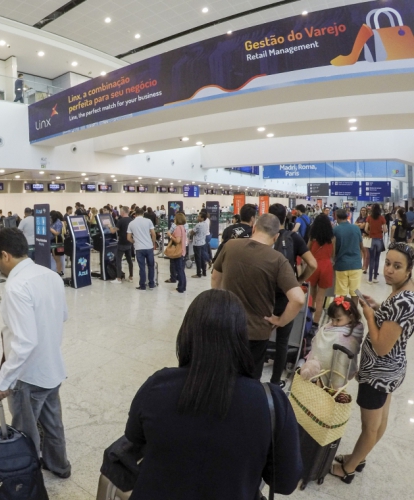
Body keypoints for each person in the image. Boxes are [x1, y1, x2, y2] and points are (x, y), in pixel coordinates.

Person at [124, 290, 302, 499]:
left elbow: (134, 436)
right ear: (241, 337)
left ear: (187, 333)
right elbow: (285, 482)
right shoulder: (271, 402)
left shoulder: (158, 385)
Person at [0, 229, 71, 479]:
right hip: (53, 367)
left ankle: (26, 478)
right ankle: (60, 466)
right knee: (53, 424)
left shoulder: (15, 286)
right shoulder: (50, 275)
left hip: (29, 376)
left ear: (5, 255)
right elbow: (63, 316)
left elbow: (24, 342)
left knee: (25, 432)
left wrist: (2, 380)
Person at [333, 243, 414, 484]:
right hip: (390, 370)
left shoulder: (404, 301)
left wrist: (368, 315)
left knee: (371, 427)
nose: (388, 270)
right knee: (378, 422)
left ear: (410, 269)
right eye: (387, 263)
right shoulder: (402, 292)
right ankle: (359, 457)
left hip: (379, 373)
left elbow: (381, 346)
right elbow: (392, 323)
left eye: (397, 266)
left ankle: (348, 468)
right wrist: (377, 308)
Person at [212, 214, 305, 380]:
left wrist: (220, 305)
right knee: (249, 380)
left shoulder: (230, 246)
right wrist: (281, 321)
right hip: (256, 332)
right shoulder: (278, 260)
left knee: (224, 373)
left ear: (254, 227)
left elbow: (215, 278)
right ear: (276, 237)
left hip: (227, 325)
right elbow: (298, 299)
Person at [267, 204, 317, 387]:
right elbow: (312, 264)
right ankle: (275, 382)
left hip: (265, 295)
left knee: (259, 336)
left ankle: (252, 378)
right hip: (286, 296)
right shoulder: (293, 237)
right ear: (285, 217)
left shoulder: (262, 238)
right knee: (282, 341)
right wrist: (298, 281)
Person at [300, 296, 364, 389]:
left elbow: (347, 359)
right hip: (319, 372)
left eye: (338, 320)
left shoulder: (349, 338)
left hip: (332, 373)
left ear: (351, 317)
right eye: (332, 319)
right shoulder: (332, 326)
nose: (334, 323)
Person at [307, 214, 336, 325]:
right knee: (321, 297)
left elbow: (307, 250)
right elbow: (332, 254)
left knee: (311, 295)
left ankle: (308, 318)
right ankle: (316, 323)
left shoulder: (312, 237)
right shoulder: (332, 238)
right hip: (326, 266)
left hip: (314, 265)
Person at [333, 209, 364, 307]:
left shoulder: (335, 230)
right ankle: (354, 312)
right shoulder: (356, 228)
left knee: (342, 293)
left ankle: (344, 312)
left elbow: (333, 250)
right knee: (355, 292)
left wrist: (332, 261)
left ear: (336, 217)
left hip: (341, 265)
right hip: (356, 264)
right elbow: (361, 247)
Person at [127, 207, 157, 291]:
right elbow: (153, 234)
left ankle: (142, 285)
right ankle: (151, 284)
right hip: (149, 247)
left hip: (139, 248)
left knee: (142, 267)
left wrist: (134, 242)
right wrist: (153, 243)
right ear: (143, 214)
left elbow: (128, 238)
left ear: (135, 214)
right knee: (151, 266)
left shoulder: (131, 223)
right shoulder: (148, 221)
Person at [164, 212, 188, 293]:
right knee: (181, 270)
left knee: (179, 270)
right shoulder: (183, 227)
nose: (173, 220)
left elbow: (177, 240)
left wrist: (170, 235)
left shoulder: (178, 228)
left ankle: (180, 287)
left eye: (175, 218)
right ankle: (183, 286)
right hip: (182, 250)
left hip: (178, 251)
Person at [365, 204, 388, 284]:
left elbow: (365, 228)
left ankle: (370, 279)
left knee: (371, 258)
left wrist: (370, 232)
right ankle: (375, 277)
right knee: (377, 258)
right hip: (379, 240)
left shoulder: (369, 218)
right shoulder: (382, 218)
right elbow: (385, 230)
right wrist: (381, 230)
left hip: (371, 239)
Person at [113, 206, 134, 284]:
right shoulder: (131, 220)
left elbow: (113, 231)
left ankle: (118, 278)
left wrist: (109, 227)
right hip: (129, 243)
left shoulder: (121, 221)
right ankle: (131, 276)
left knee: (118, 260)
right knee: (129, 260)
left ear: (123, 212)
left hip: (121, 243)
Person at [189, 212, 209, 279]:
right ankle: (204, 271)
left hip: (197, 244)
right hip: (203, 242)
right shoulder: (206, 224)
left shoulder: (198, 225)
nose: (198, 217)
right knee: (202, 258)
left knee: (198, 259)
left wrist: (191, 233)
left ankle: (198, 273)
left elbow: (192, 232)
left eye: (199, 216)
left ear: (202, 218)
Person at [49, 211, 65, 276]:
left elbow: (57, 233)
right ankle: (59, 270)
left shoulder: (58, 222)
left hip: (57, 240)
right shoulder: (54, 222)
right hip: (54, 240)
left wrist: (49, 228)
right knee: (55, 257)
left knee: (57, 257)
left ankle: (59, 271)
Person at [356, 207, 370, 274]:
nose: (363, 211)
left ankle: (365, 266)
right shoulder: (359, 218)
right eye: (362, 210)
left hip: (365, 236)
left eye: (364, 210)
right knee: (360, 252)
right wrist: (359, 225)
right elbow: (355, 225)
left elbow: (362, 227)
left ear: (366, 211)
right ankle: (360, 265)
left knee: (365, 252)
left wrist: (359, 225)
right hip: (359, 236)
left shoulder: (367, 218)